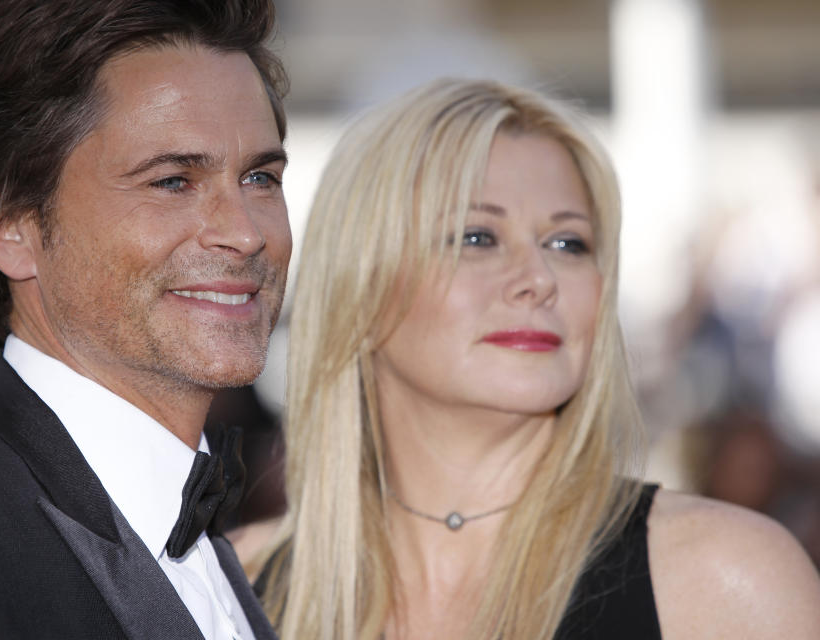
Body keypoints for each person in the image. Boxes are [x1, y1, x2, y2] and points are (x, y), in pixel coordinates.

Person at [231, 79, 820, 639]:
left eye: (568, 244)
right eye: (477, 237)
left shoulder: (728, 582)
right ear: (359, 282)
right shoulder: (230, 591)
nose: (538, 279)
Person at [0, 0, 290, 638]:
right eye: (172, 181)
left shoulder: (208, 544)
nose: (245, 232)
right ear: (9, 224)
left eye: (259, 176)